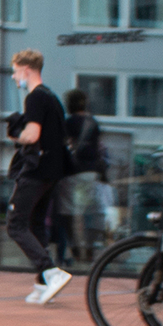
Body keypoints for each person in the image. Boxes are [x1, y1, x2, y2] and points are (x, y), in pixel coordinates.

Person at [5, 48, 71, 302]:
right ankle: (45, 284)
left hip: (36, 170)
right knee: (35, 224)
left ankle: (50, 271)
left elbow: (32, 135)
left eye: (15, 72)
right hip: (52, 172)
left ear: (26, 70)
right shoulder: (52, 97)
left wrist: (15, 135)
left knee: (15, 224)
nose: (14, 77)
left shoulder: (35, 98)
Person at [59, 88, 107, 261]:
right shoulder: (93, 123)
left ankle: (74, 247)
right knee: (88, 211)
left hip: (72, 171)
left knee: (68, 212)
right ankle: (89, 247)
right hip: (91, 172)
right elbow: (99, 148)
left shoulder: (68, 122)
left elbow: (64, 146)